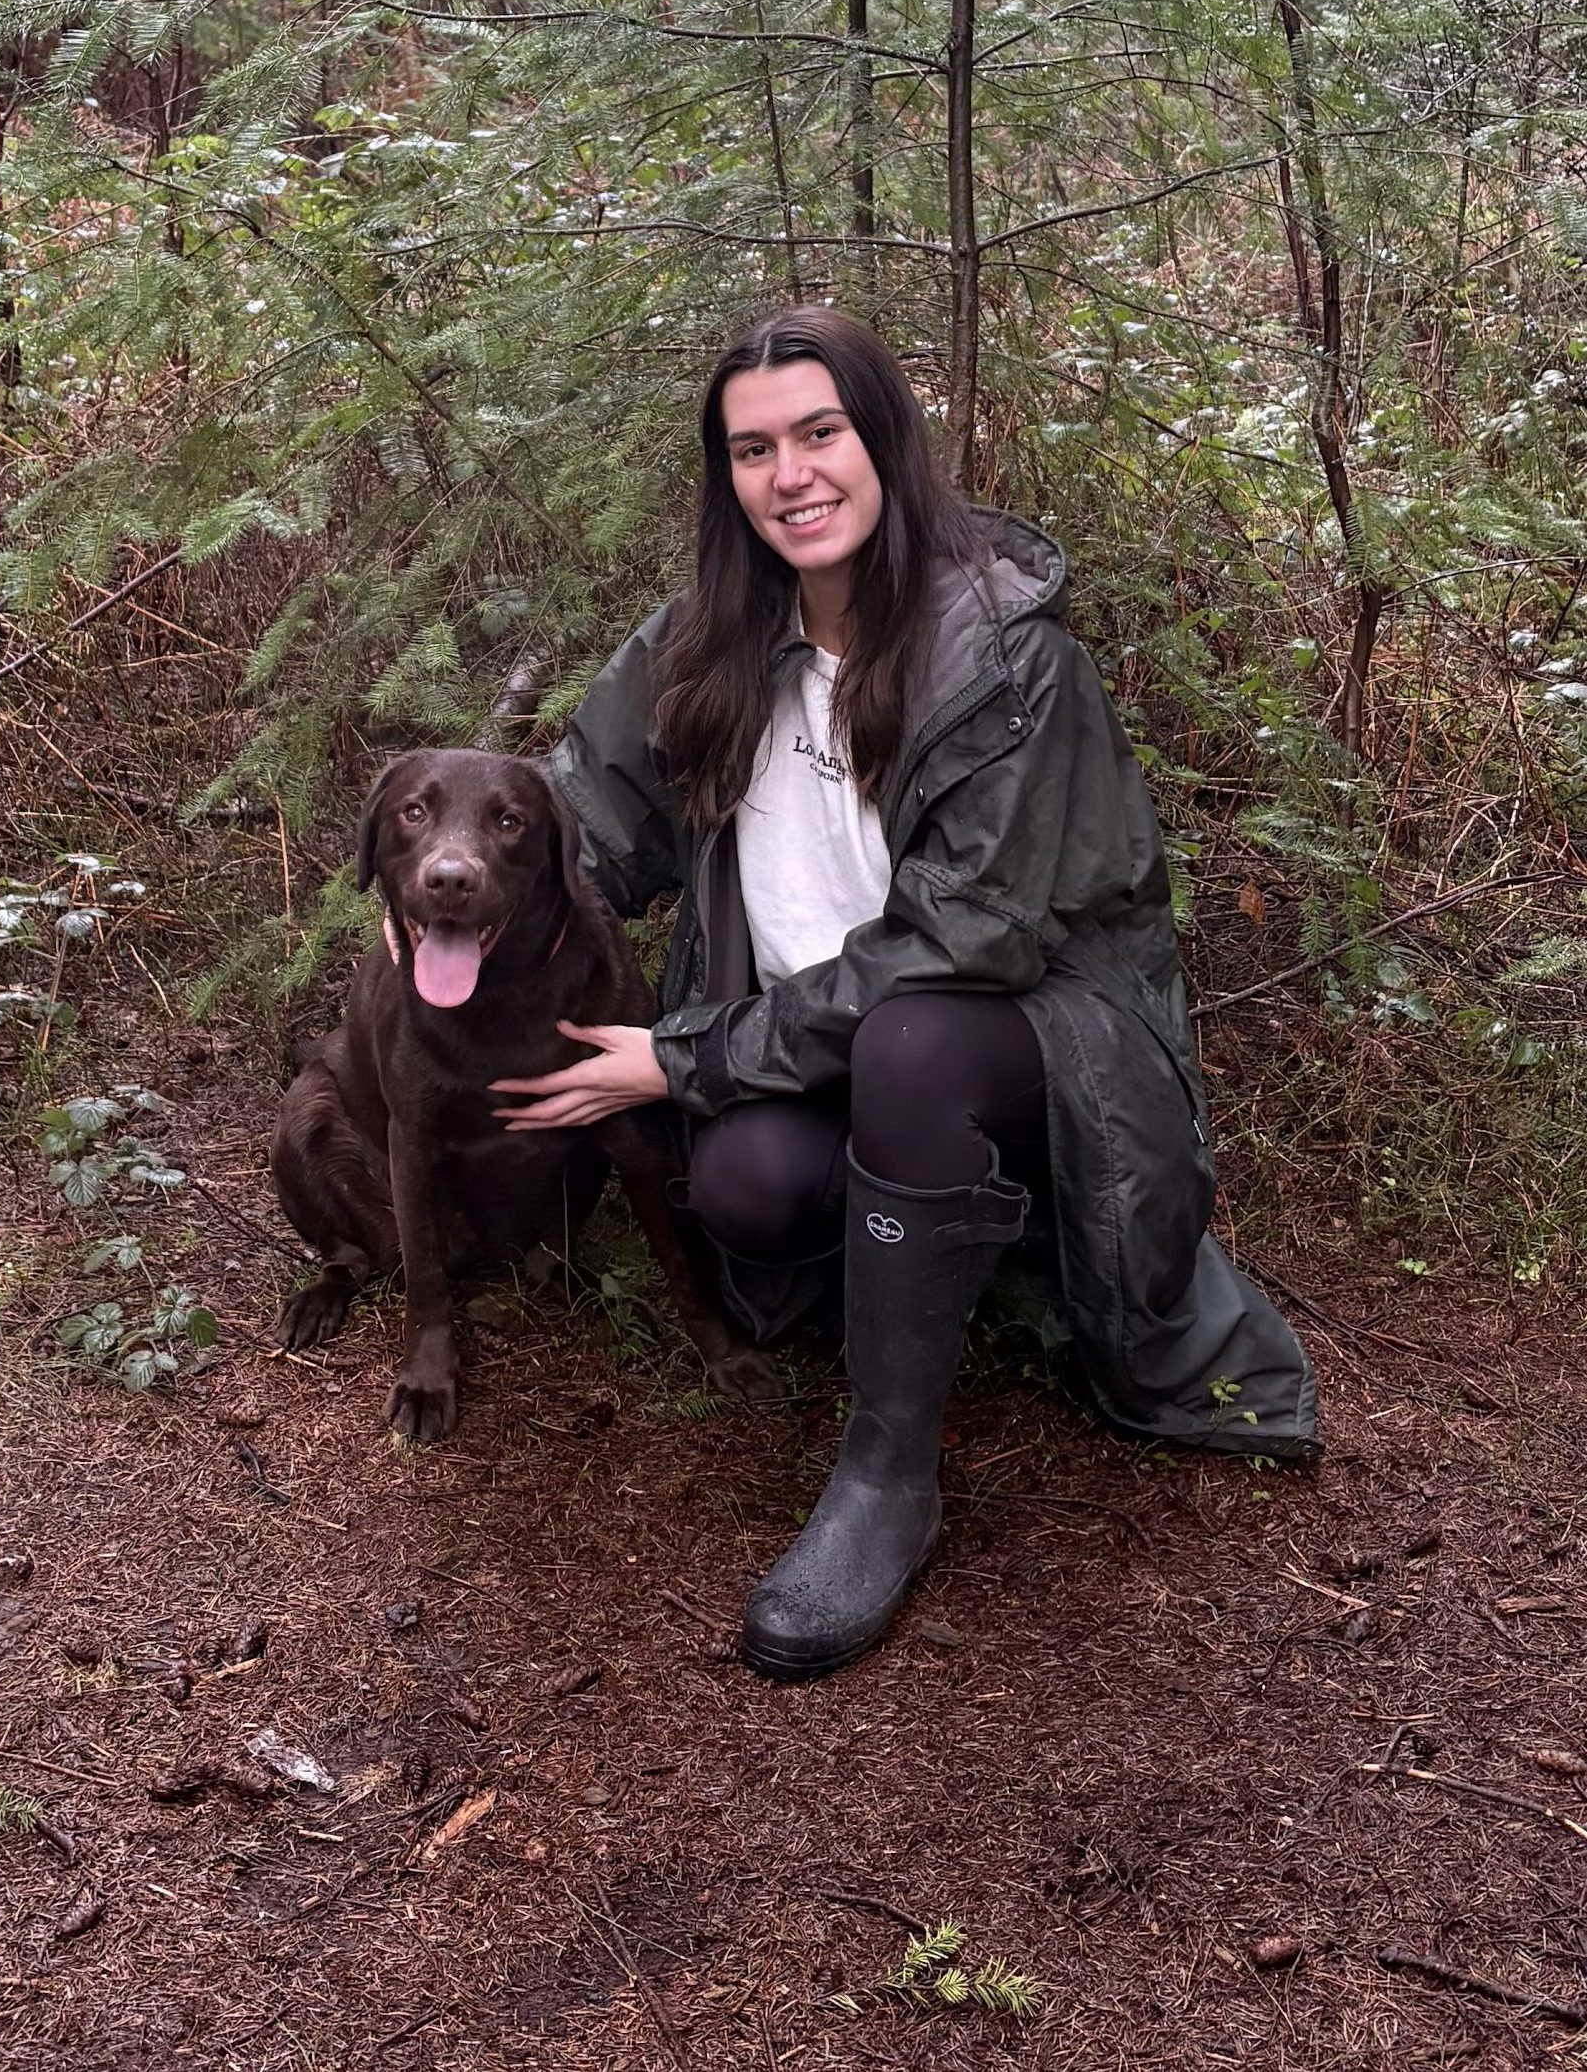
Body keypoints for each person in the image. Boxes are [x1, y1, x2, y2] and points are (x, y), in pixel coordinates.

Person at [490, 306, 1318, 1683]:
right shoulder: (708, 640)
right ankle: (931, 1259)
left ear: (882, 439)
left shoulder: (1004, 657)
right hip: (817, 1040)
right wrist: (449, 912)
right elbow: (582, 820)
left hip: (1032, 1048)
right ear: (726, 479)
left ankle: (888, 1470)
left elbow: (966, 941)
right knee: (747, 1183)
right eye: (753, 449)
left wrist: (684, 1056)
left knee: (912, 1045)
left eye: (820, 432)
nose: (791, 474)